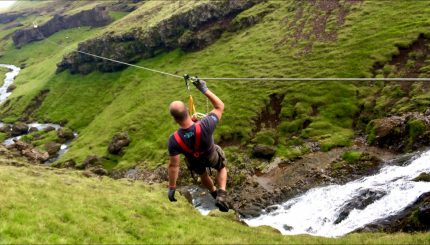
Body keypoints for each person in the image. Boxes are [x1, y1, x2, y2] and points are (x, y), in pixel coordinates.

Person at [167, 78, 229, 212]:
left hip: (195, 162)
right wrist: (204, 89)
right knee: (221, 168)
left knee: (203, 175)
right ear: (187, 112)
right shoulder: (206, 124)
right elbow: (220, 106)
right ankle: (222, 194)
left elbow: (174, 165)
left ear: (175, 119)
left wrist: (172, 187)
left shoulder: (174, 140)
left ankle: (213, 192)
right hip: (211, 154)